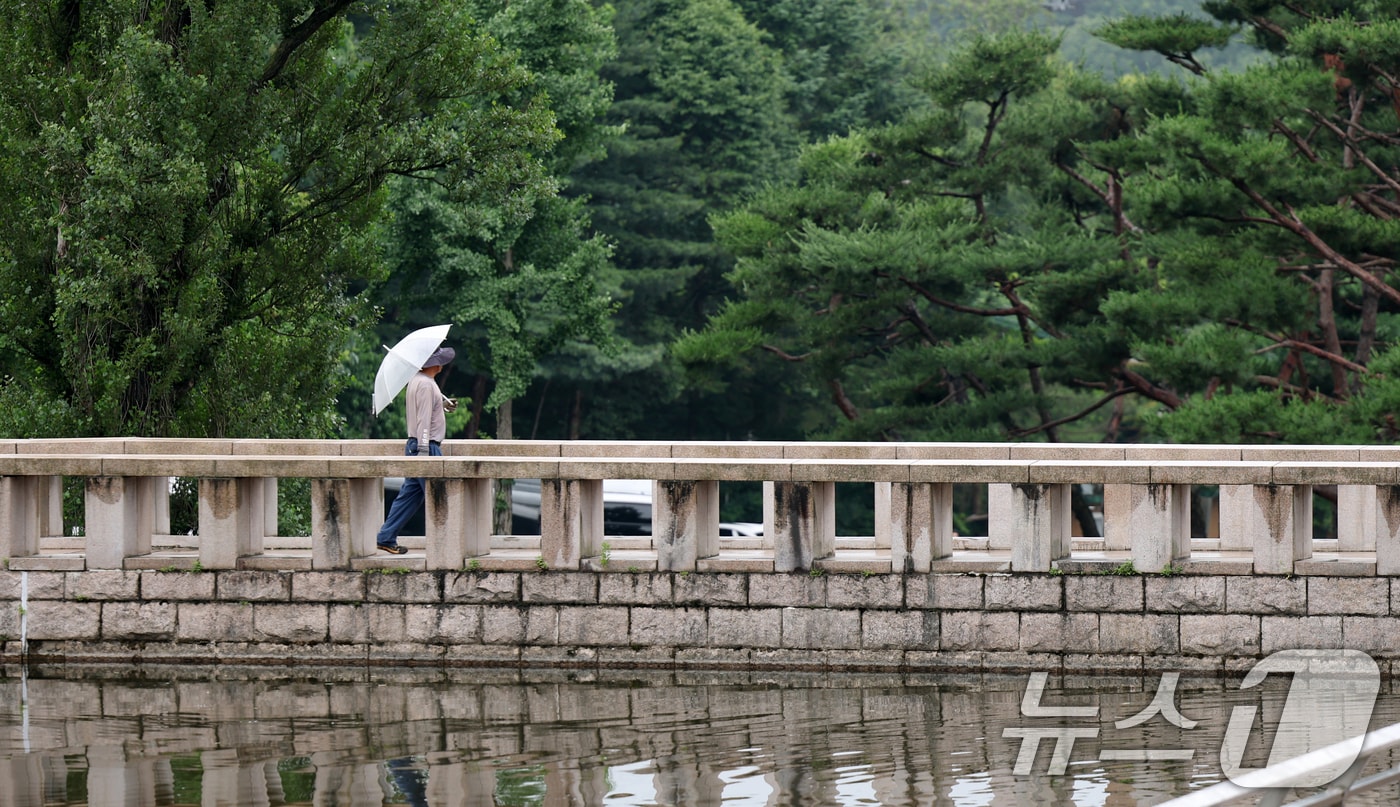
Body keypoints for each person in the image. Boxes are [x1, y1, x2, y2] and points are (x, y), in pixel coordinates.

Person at [377, 346, 456, 553]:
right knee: (439, 493)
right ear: (435, 365)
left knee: (410, 495)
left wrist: (444, 406)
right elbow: (423, 420)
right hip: (425, 446)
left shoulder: (420, 381)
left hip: (418, 445)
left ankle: (386, 537)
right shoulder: (425, 385)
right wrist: (423, 452)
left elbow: (428, 412)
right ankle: (447, 545)